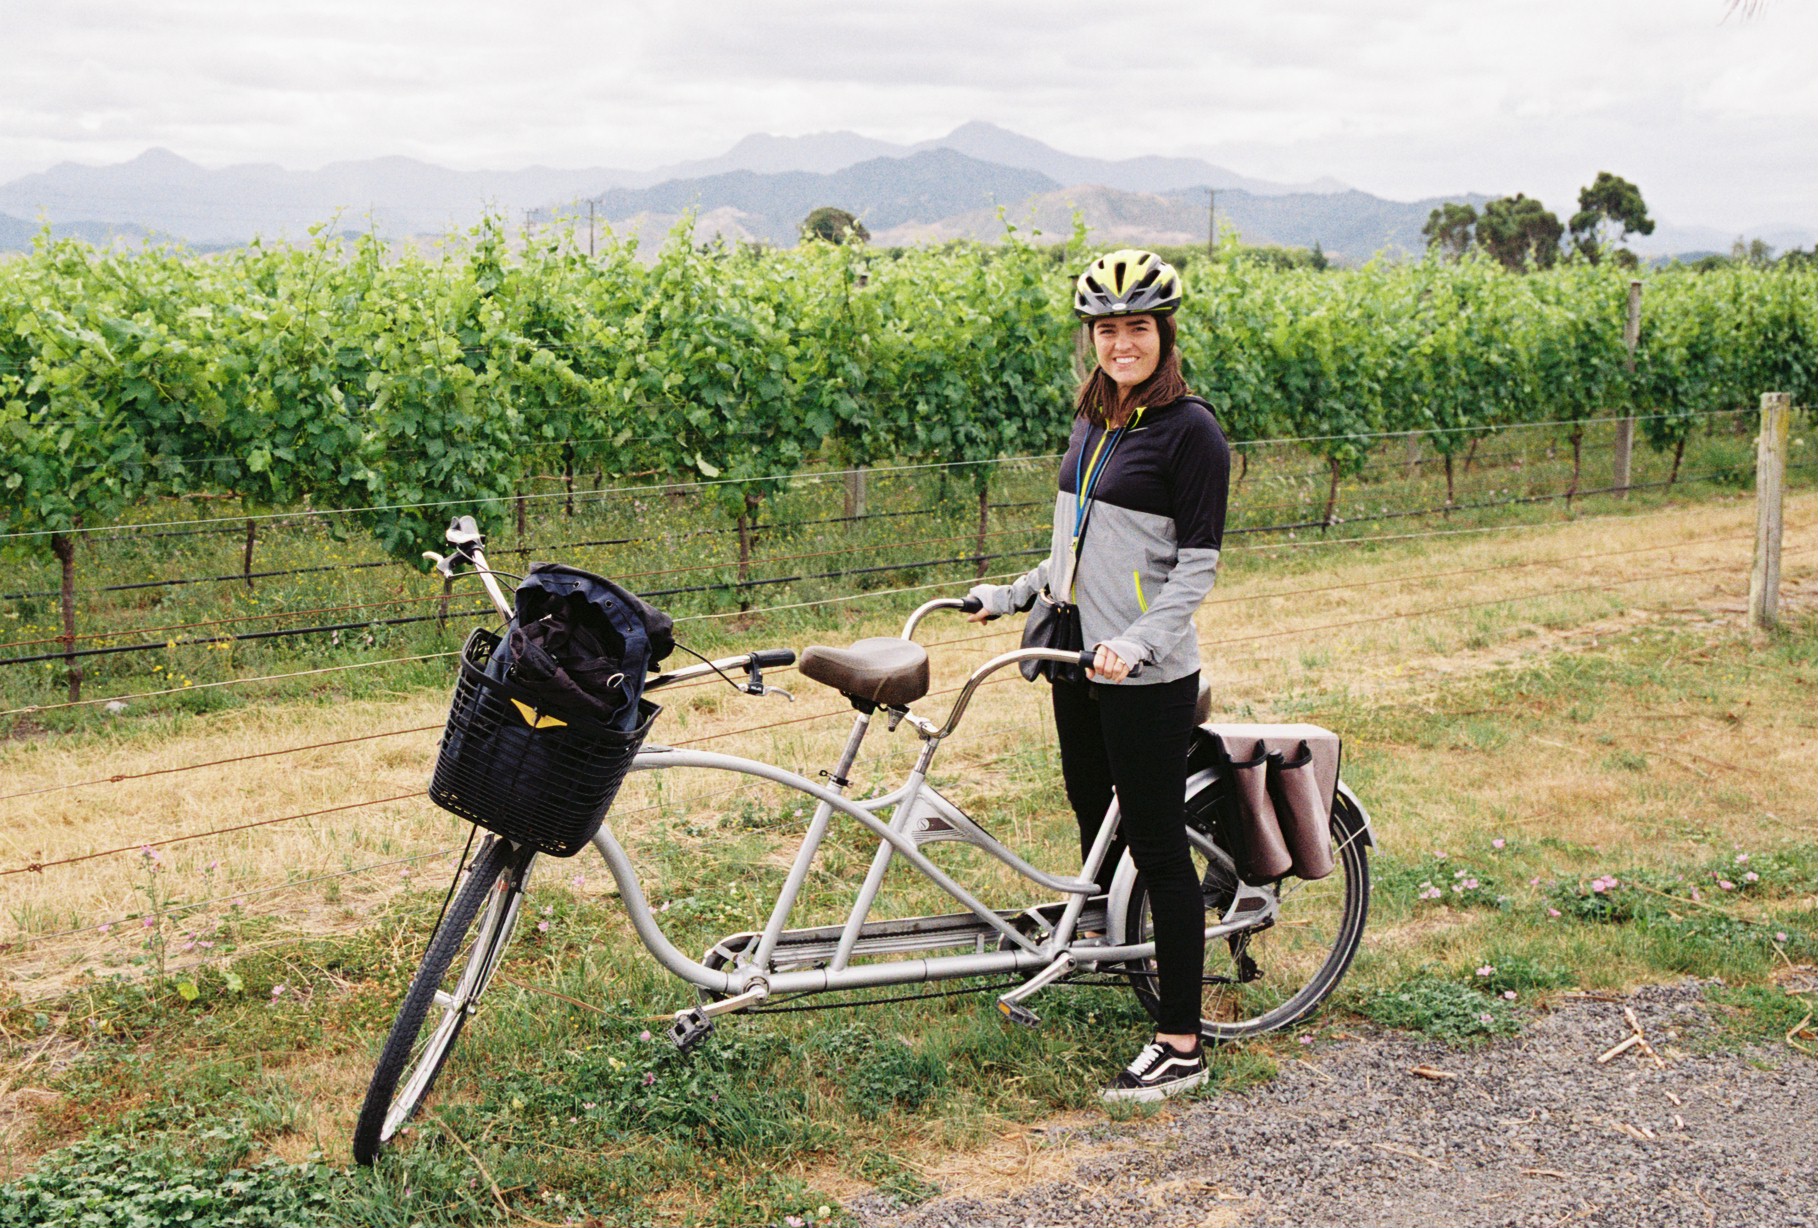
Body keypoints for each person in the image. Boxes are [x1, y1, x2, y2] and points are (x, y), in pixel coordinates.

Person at [967, 249, 1230, 1102]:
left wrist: (1141, 643)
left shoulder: (1191, 431)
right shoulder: (1093, 420)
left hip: (1143, 673)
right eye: (1108, 329)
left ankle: (1181, 1043)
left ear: (1165, 334)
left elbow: (1195, 567)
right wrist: (1010, 594)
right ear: (1092, 337)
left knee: (1157, 849)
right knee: (1092, 815)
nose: (1122, 343)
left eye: (1138, 328)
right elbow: (1072, 547)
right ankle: (1122, 955)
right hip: (1075, 658)